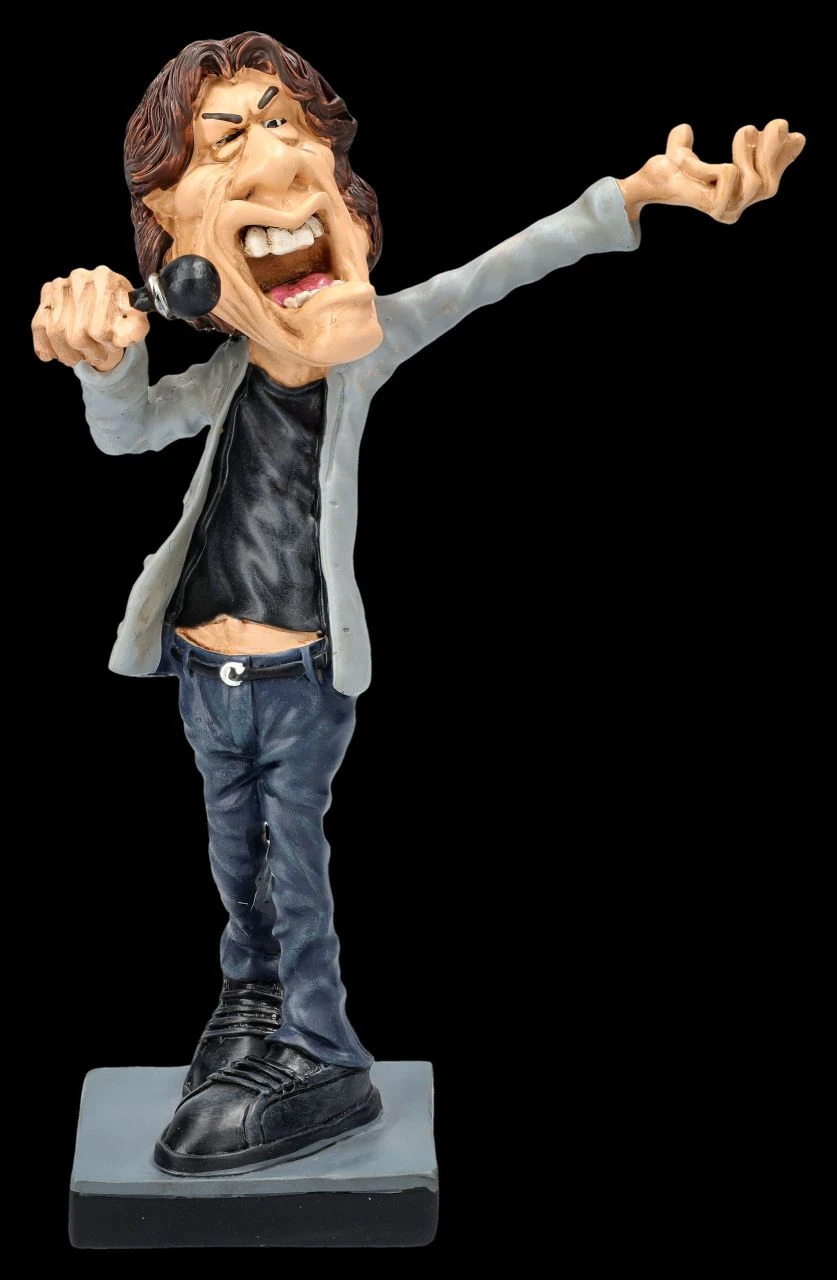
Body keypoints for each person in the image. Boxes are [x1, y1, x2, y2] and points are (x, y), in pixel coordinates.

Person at [30, 31, 804, 1176]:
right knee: (235, 863)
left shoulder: (367, 347)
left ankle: (321, 1048)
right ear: (175, 248)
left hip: (298, 677)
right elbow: (129, 429)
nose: (275, 156)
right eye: (229, 139)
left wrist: (633, 195)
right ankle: (251, 1008)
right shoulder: (226, 372)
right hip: (203, 670)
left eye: (287, 125)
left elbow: (497, 269)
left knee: (295, 867)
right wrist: (103, 357)